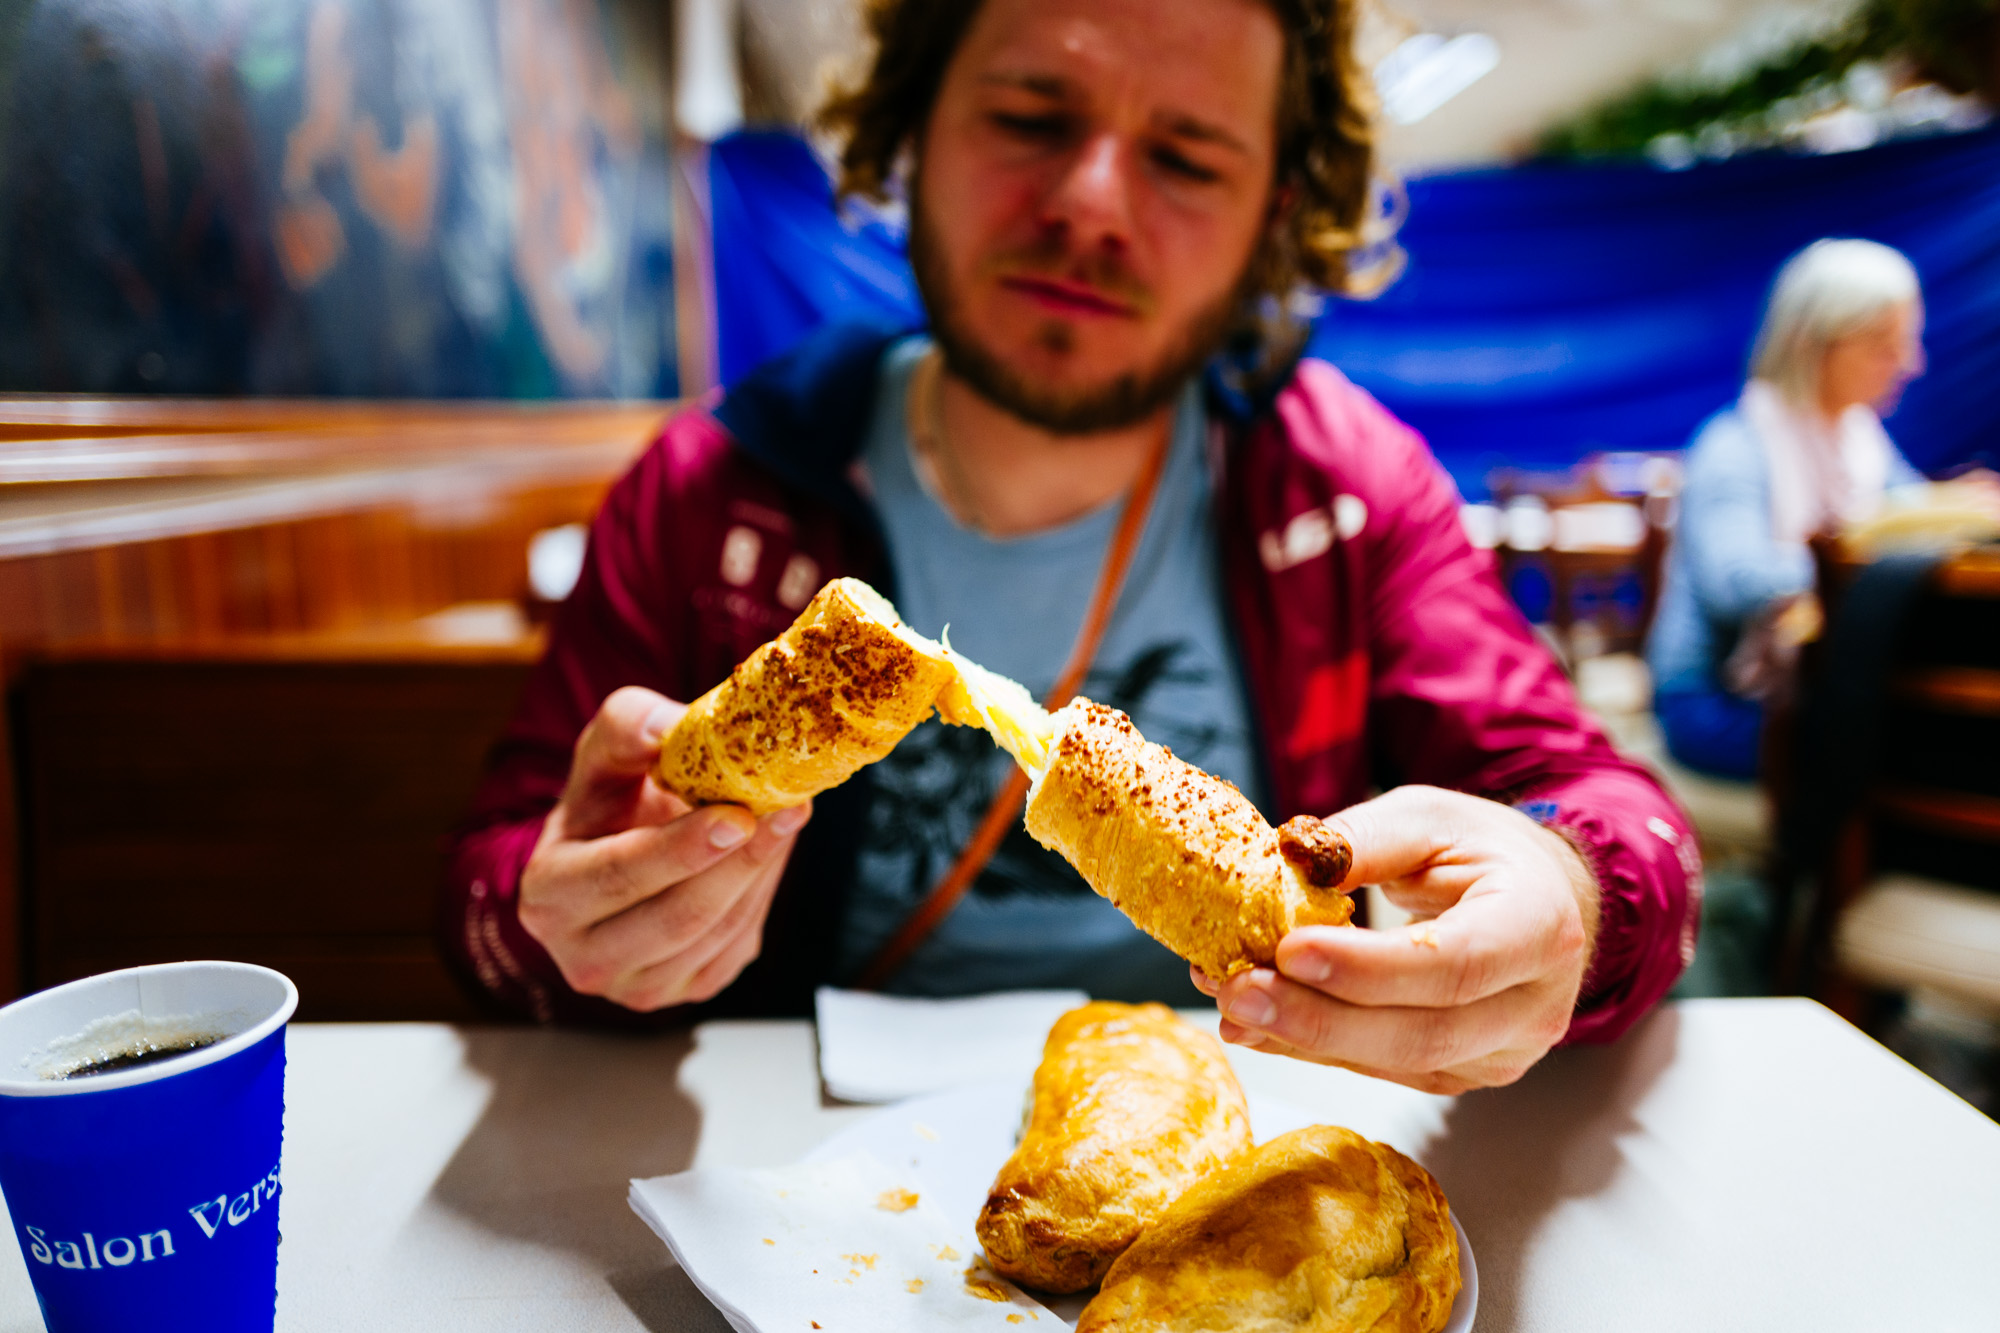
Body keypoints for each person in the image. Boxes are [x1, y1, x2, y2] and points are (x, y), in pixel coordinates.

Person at [444, 0, 1696, 1095]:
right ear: (912, 128)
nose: (1089, 202)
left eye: (1186, 158)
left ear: (1274, 212)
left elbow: (1610, 817)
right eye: (1032, 119)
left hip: (1260, 1135)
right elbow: (489, 890)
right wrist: (564, 924)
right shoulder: (712, 498)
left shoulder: (1344, 496)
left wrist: (1571, 903)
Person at [1647, 239, 1928, 781]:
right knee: (1909, 756)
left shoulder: (1859, 439)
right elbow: (1741, 585)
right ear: (1814, 345)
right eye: (1882, 345)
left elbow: (1914, 519)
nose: (1909, 364)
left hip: (1810, 681)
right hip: (1715, 701)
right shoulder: (1736, 446)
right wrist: (1876, 568)